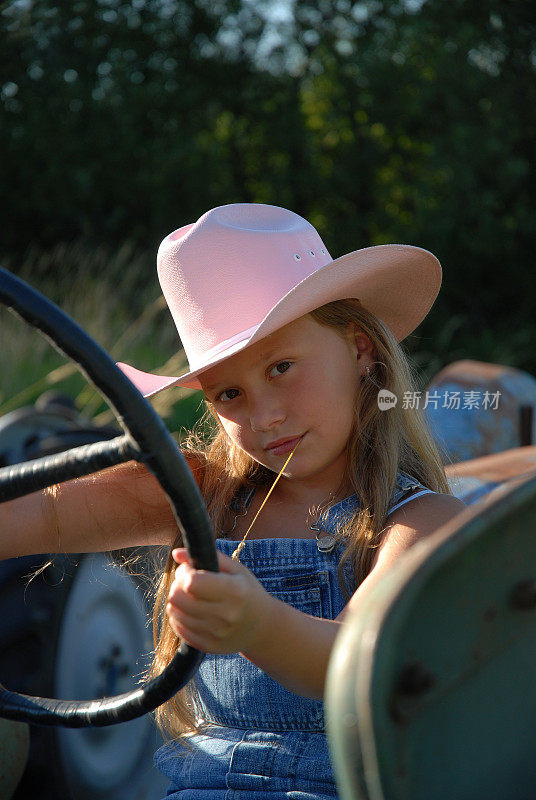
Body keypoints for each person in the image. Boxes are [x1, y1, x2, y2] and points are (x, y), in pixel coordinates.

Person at [2, 203, 466, 799]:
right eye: (230, 393)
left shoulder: (420, 523)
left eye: (281, 367)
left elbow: (359, 663)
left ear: (360, 351)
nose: (264, 415)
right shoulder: (199, 495)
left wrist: (257, 622)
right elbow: (45, 510)